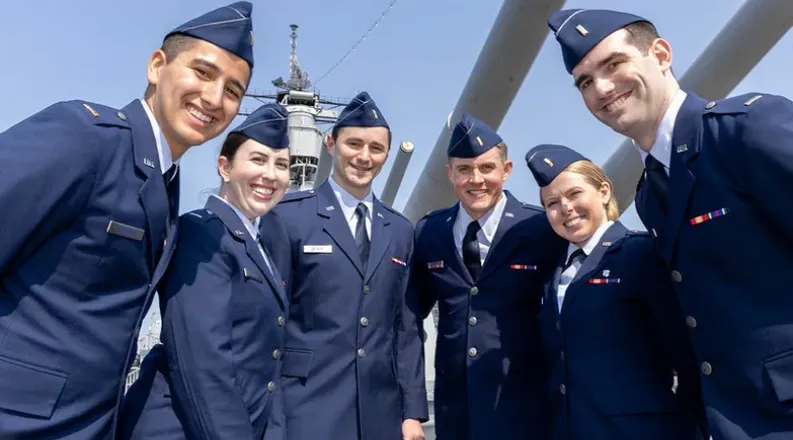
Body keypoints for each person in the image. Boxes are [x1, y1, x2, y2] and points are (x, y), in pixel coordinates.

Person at [0, 2, 254, 438]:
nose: (213, 99)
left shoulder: (163, 179)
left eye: (233, 91)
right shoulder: (84, 138)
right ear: (157, 66)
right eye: (202, 73)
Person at [547, 8, 793, 440]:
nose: (601, 88)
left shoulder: (747, 131)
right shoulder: (650, 193)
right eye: (585, 81)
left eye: (614, 63)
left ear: (660, 54)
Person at [259, 92, 427, 440]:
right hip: (306, 406)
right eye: (354, 144)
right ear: (331, 143)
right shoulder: (289, 216)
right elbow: (265, 322)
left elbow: (406, 328)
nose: (364, 157)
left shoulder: (399, 231)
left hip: (380, 411)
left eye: (376, 149)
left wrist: (412, 413)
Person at [119, 103, 291, 439]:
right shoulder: (203, 235)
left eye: (281, 165)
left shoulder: (261, 246)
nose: (270, 175)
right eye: (257, 160)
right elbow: (203, 367)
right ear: (224, 167)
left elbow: (269, 365)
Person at [525, 143, 707, 440]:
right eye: (552, 203)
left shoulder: (641, 254)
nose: (565, 209)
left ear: (604, 191)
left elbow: (688, 354)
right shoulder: (551, 275)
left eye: (574, 194)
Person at [411, 113, 566, 439]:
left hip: (523, 405)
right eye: (464, 170)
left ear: (506, 171)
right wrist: (411, 408)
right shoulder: (429, 231)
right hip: (455, 409)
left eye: (486, 168)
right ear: (450, 173)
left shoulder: (540, 229)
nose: (476, 179)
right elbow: (408, 321)